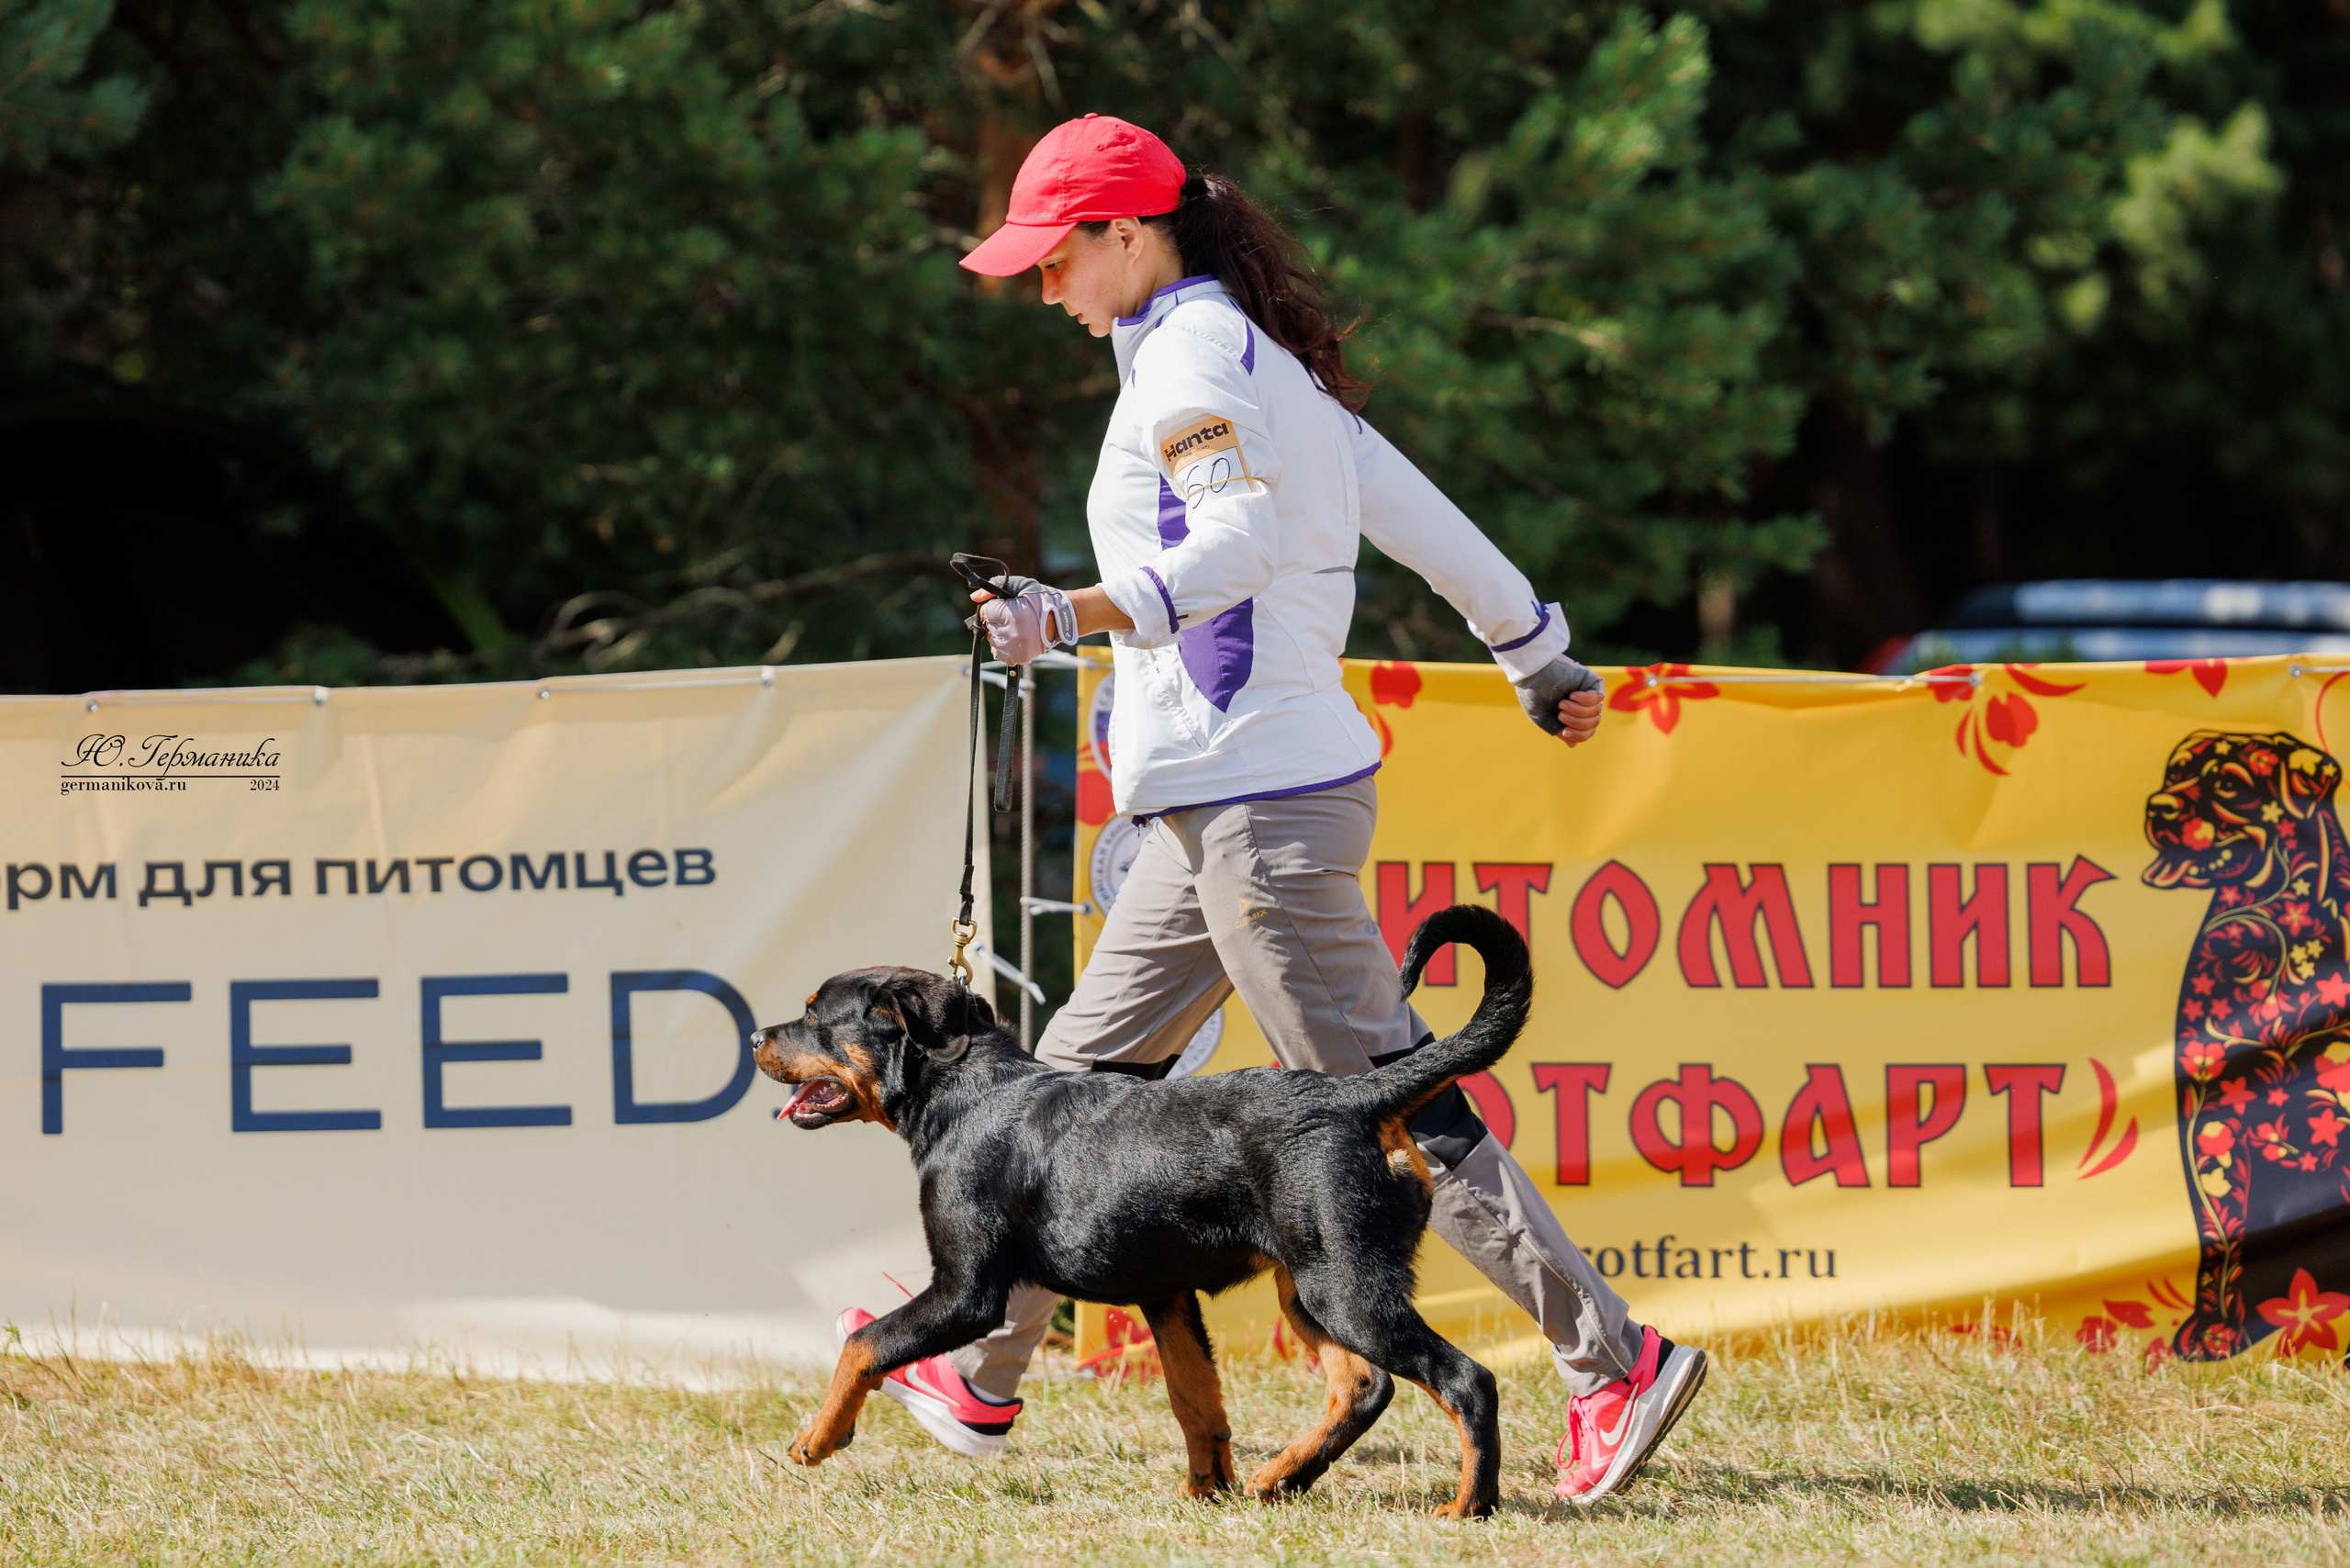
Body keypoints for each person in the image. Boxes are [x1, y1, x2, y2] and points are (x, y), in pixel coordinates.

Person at [843, 112, 1705, 1506]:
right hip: (1214, 802)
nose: (1042, 291)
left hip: (1264, 807)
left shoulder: (1192, 357)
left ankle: (1613, 1361)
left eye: (1054, 261)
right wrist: (1533, 650)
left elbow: (1233, 548)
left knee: (1392, 1098)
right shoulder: (1237, 358)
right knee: (1070, 1079)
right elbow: (1417, 509)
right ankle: (981, 1371)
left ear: (1129, 233)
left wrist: (1066, 612)